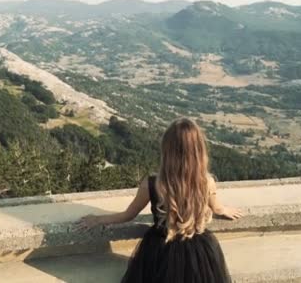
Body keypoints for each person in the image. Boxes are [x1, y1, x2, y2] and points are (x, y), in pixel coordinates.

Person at [77, 118, 243, 283]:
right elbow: (218, 208)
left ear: (167, 150)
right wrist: (226, 210)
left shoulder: (151, 184)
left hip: (160, 248)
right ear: (199, 151)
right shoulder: (206, 183)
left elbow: (129, 215)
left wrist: (97, 219)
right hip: (198, 252)